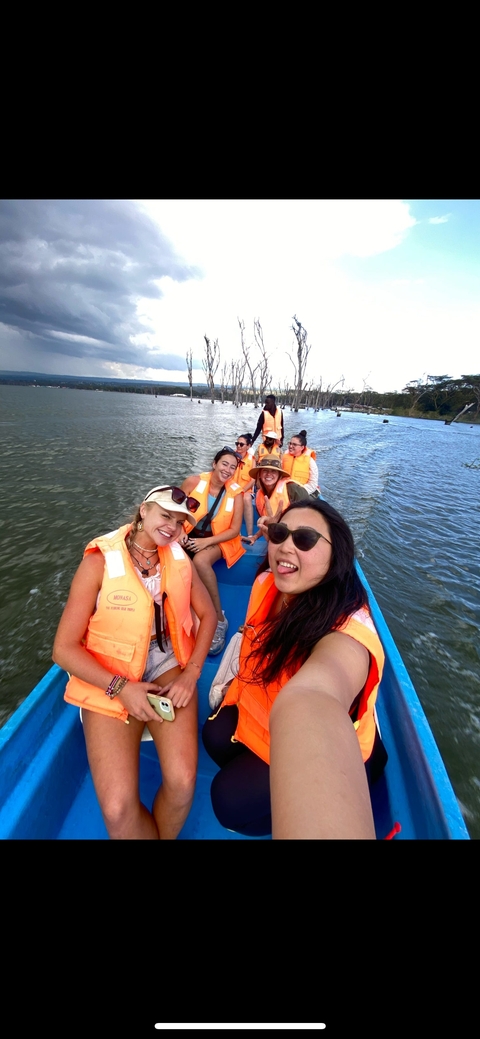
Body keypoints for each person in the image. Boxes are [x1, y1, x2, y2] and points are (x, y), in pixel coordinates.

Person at [202, 498, 387, 838]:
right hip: (263, 707)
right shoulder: (269, 584)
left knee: (227, 801)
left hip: (321, 748)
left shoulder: (347, 635)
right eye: (279, 533)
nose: (286, 545)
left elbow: (316, 694)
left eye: (304, 539)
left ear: (337, 555)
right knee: (213, 736)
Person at [52, 486, 217, 840]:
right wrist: (121, 688)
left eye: (180, 522)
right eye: (165, 516)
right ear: (143, 511)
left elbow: (209, 616)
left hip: (166, 664)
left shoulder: (177, 559)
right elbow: (63, 649)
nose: (172, 527)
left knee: (183, 782)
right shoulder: (98, 563)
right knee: (117, 809)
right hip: (111, 672)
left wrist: (191, 674)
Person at [180, 448, 245, 655]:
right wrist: (180, 533)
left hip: (221, 540)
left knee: (200, 561)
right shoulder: (192, 482)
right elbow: (177, 513)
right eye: (224, 464)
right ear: (214, 464)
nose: (228, 470)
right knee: (175, 561)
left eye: (232, 467)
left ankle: (219, 619)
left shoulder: (237, 494)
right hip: (189, 536)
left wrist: (206, 543)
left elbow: (234, 530)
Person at [245, 457, 308, 545]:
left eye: (273, 471)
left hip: (297, 539)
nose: (269, 474)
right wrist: (254, 537)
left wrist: (278, 525)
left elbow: (307, 521)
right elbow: (268, 523)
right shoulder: (260, 496)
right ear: (259, 474)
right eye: (265, 470)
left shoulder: (294, 490)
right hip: (277, 536)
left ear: (279, 475)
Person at [282, 430, 320, 495]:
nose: (290, 446)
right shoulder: (284, 457)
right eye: (290, 443)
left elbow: (313, 483)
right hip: (284, 490)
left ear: (302, 447)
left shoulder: (310, 462)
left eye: (294, 444)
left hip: (301, 493)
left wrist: (299, 493)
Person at [233, 433, 256, 539]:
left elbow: (253, 480)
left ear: (248, 446)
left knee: (246, 498)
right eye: (237, 443)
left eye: (241, 444)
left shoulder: (252, 460)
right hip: (230, 489)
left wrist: (242, 490)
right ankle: (235, 533)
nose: (238, 446)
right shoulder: (231, 456)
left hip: (245, 490)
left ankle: (250, 534)